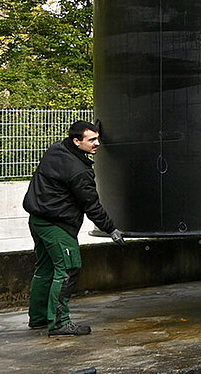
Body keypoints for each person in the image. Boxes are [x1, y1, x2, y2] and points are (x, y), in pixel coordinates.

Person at [23, 120, 125, 335]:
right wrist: (111, 229)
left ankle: (39, 317)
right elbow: (92, 205)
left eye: (98, 138)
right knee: (69, 270)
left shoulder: (56, 150)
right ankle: (59, 323)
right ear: (77, 141)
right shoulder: (79, 172)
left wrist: (93, 126)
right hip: (57, 225)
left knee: (45, 269)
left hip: (37, 220)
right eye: (92, 140)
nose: (97, 143)